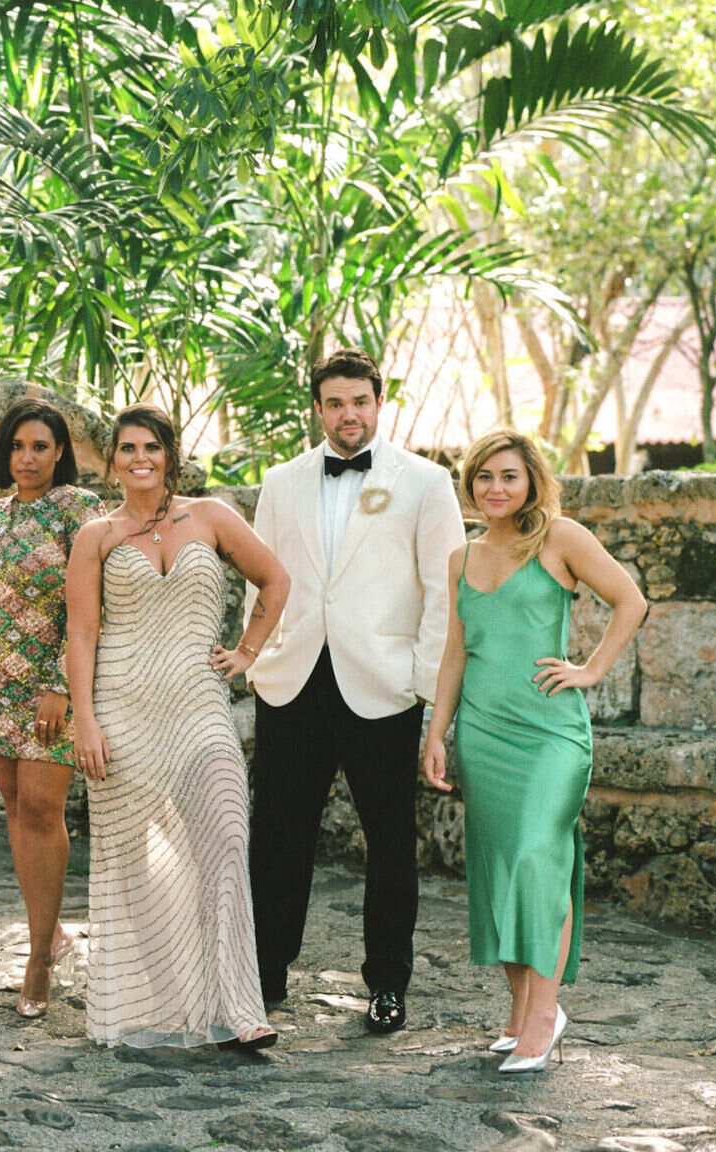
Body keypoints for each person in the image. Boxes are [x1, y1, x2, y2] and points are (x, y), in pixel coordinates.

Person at [245, 350, 465, 1034]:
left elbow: (444, 593)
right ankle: (264, 973)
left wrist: (422, 686)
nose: (349, 414)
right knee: (278, 836)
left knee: (391, 842)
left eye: (360, 401)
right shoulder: (281, 481)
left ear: (379, 401)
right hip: (294, 682)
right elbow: (261, 574)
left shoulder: (426, 483)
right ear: (317, 408)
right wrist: (259, 656)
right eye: (335, 403)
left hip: (383, 687)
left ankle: (388, 985)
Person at [63, 405, 288, 1048]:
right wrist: (85, 720)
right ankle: (156, 1006)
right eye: (128, 447)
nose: (141, 458)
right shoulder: (96, 536)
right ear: (113, 460)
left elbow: (275, 580)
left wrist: (245, 652)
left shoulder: (212, 517)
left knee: (223, 839)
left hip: (198, 706)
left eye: (152, 446)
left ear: (170, 455)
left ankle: (239, 1007)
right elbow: (81, 633)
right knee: (138, 863)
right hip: (121, 708)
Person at [422, 431, 645, 1073]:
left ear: (531, 482)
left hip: (550, 732)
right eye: (484, 476)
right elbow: (456, 652)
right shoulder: (461, 558)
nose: (496, 488)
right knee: (497, 867)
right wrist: (438, 732)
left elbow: (631, 600)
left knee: (534, 859)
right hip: (484, 734)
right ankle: (521, 1009)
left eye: (509, 476)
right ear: (471, 484)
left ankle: (547, 1014)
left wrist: (592, 669)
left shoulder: (561, 538)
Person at [0, 397, 105, 1018]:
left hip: (48, 690)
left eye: (40, 446)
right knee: (16, 809)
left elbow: (90, 603)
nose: (27, 458)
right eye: (17, 446)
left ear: (61, 451)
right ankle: (52, 932)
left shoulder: (81, 510)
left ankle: (39, 959)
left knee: (43, 808)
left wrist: (63, 684)